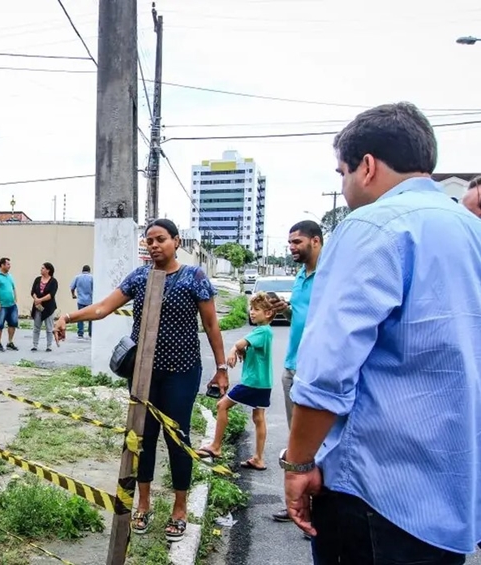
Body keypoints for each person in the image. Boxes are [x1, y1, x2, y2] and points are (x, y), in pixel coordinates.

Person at [283, 102, 481, 564]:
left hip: (375, 492)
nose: (345, 186)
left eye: (342, 172)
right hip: (452, 494)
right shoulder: (471, 231)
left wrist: (298, 462)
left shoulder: (371, 227)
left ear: (366, 166)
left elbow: (328, 370)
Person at [53, 218, 228, 543]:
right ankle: (143, 503)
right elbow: (104, 308)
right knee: (142, 438)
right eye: (149, 240)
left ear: (176, 242)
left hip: (182, 371)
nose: (154, 245)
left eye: (160, 239)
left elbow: (211, 325)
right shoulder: (139, 277)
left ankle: (179, 507)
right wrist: (67, 316)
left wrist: (222, 367)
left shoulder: (194, 277)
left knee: (178, 439)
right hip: (142, 373)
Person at [266, 220, 323, 524]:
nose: (292, 248)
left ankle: (318, 511)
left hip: (315, 370)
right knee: (296, 441)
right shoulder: (302, 274)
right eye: (289, 243)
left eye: (297, 242)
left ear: (316, 241)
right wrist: (284, 308)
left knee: (319, 443)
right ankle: (298, 504)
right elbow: (301, 313)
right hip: (292, 366)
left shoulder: (330, 274)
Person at [196, 292, 274, 471]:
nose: (251, 312)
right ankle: (259, 458)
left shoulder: (262, 331)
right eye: (251, 309)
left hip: (252, 382)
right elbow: (252, 350)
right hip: (264, 382)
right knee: (258, 418)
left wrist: (233, 350)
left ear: (268, 313)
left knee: (222, 405)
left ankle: (216, 446)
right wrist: (243, 351)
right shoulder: (266, 332)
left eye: (256, 310)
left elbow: (239, 343)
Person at [0, 257, 19, 352]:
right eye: (8, 264)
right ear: (2, 265)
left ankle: (10, 342)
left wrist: (15, 298)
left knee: (13, 323)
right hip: (1, 306)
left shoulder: (10, 276)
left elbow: (13, 287)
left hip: (11, 305)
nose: (9, 266)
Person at [30, 262, 58, 352]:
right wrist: (36, 299)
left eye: (43, 268)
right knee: (36, 327)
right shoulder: (37, 279)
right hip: (37, 307)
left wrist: (41, 299)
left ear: (48, 270)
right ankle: (35, 345)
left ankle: (49, 346)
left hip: (48, 308)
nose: (41, 269)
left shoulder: (53, 281)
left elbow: (51, 294)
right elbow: (33, 291)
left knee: (49, 328)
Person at [70, 265, 94, 337]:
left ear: (82, 270)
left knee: (80, 316)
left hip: (80, 300)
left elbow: (72, 287)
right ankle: (90, 332)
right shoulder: (92, 278)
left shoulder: (77, 277)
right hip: (90, 301)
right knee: (91, 317)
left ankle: (80, 332)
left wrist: (73, 295)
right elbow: (95, 288)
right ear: (89, 270)